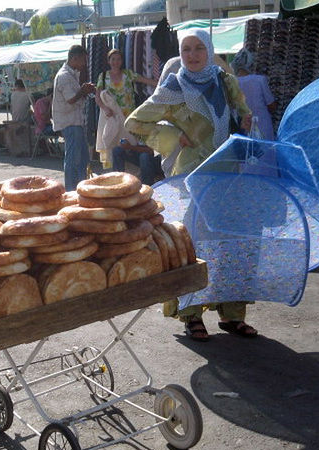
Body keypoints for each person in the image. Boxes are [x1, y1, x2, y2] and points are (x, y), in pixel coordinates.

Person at [126, 28, 255, 341]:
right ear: (180, 54)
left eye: (199, 48)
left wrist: (247, 119)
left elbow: (243, 110)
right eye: (187, 50)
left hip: (227, 173)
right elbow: (135, 124)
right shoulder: (174, 85)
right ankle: (191, 315)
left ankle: (232, 314)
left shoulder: (224, 81)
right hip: (191, 178)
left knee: (230, 242)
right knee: (192, 244)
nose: (193, 55)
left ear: (209, 50)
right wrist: (174, 137)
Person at [52, 44, 96, 191]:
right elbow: (71, 99)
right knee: (73, 159)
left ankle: (82, 188)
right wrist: (82, 91)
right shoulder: (64, 76)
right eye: (83, 60)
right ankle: (71, 191)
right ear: (75, 58)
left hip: (76, 121)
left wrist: (83, 90)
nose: (84, 64)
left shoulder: (71, 74)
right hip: (70, 123)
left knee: (82, 159)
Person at [95, 48, 158, 120]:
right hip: (112, 116)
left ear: (122, 61)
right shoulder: (103, 76)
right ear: (109, 61)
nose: (116, 62)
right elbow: (97, 98)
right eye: (113, 59)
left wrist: (163, 84)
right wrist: (105, 109)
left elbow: (145, 80)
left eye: (118, 59)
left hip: (128, 116)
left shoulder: (128, 74)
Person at [231, 48, 277, 140]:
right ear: (250, 64)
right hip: (262, 126)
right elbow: (271, 105)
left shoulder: (232, 83)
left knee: (246, 152)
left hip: (243, 130)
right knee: (265, 152)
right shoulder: (260, 80)